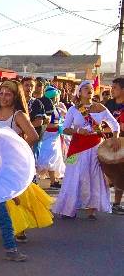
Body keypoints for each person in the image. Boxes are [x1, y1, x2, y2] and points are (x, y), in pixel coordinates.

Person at [0, 80, 41, 259]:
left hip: (6, 168)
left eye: (8, 94)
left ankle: (10, 248)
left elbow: (33, 136)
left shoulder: (18, 115)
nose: (3, 97)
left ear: (15, 97)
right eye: (1, 93)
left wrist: (15, 151)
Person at [53, 80, 120, 220]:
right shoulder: (73, 109)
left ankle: (91, 210)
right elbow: (64, 128)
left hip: (95, 146)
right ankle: (68, 208)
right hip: (76, 147)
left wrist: (115, 138)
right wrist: (78, 130)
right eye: (86, 88)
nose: (89, 90)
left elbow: (115, 124)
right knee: (73, 175)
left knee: (94, 176)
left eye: (91, 88)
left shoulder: (100, 108)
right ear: (80, 92)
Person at [37, 84, 67, 189]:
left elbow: (64, 118)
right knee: (46, 157)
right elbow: (45, 123)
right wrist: (59, 125)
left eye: (56, 97)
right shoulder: (44, 107)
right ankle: (35, 180)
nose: (55, 99)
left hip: (55, 136)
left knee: (54, 158)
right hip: (46, 135)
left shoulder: (58, 107)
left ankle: (53, 181)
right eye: (53, 97)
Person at [103, 76, 124, 214]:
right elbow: (100, 122)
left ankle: (116, 203)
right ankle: (100, 200)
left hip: (122, 143)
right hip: (108, 143)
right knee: (109, 173)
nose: (112, 90)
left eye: (115, 87)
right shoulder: (108, 104)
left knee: (120, 174)